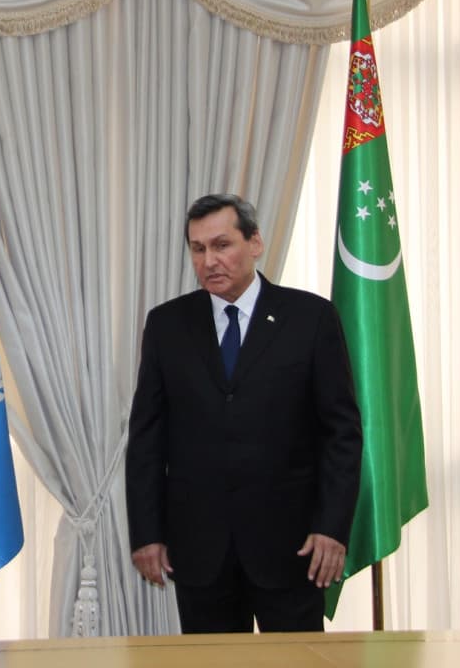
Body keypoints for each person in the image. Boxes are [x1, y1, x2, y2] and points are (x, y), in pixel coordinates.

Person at [125, 193, 362, 633]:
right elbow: (146, 438)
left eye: (222, 245)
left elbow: (341, 434)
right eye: (198, 249)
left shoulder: (310, 318)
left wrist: (332, 527)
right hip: (199, 551)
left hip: (292, 549)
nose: (209, 260)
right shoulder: (167, 326)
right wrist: (146, 533)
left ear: (255, 243)